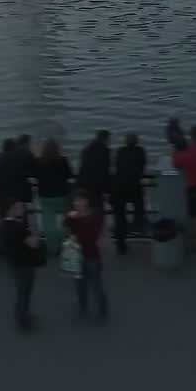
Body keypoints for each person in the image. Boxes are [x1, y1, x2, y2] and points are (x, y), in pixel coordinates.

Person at [63, 190, 109, 322]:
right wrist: (69, 219)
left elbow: (92, 235)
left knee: (96, 285)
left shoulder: (94, 216)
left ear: (87, 201)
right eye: (76, 201)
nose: (78, 203)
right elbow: (66, 228)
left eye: (81, 200)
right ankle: (83, 307)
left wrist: (75, 236)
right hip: (76, 255)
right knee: (79, 285)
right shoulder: (72, 216)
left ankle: (101, 311)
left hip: (91, 256)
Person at [2, 200, 44, 332]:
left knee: (21, 291)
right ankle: (24, 321)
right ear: (11, 209)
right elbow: (33, 243)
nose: (23, 209)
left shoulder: (4, 225)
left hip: (14, 263)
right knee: (24, 292)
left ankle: (21, 316)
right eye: (19, 207)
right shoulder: (18, 227)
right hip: (24, 264)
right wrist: (35, 234)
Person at [35, 137, 73, 258]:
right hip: (62, 196)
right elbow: (69, 175)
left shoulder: (39, 161)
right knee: (66, 222)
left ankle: (53, 249)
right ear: (57, 149)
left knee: (49, 225)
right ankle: (65, 243)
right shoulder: (63, 160)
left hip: (45, 196)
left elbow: (34, 175)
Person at [112, 132, 147, 253]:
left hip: (119, 187)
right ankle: (138, 226)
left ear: (125, 142)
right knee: (139, 208)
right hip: (134, 187)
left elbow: (116, 166)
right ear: (136, 142)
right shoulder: (140, 151)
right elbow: (142, 169)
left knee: (120, 216)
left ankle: (121, 243)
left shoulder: (120, 151)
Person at [78, 130, 112, 212]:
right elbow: (105, 170)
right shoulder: (105, 151)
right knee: (98, 207)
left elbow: (82, 167)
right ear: (105, 138)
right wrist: (107, 189)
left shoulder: (86, 149)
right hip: (97, 184)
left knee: (88, 207)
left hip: (85, 183)